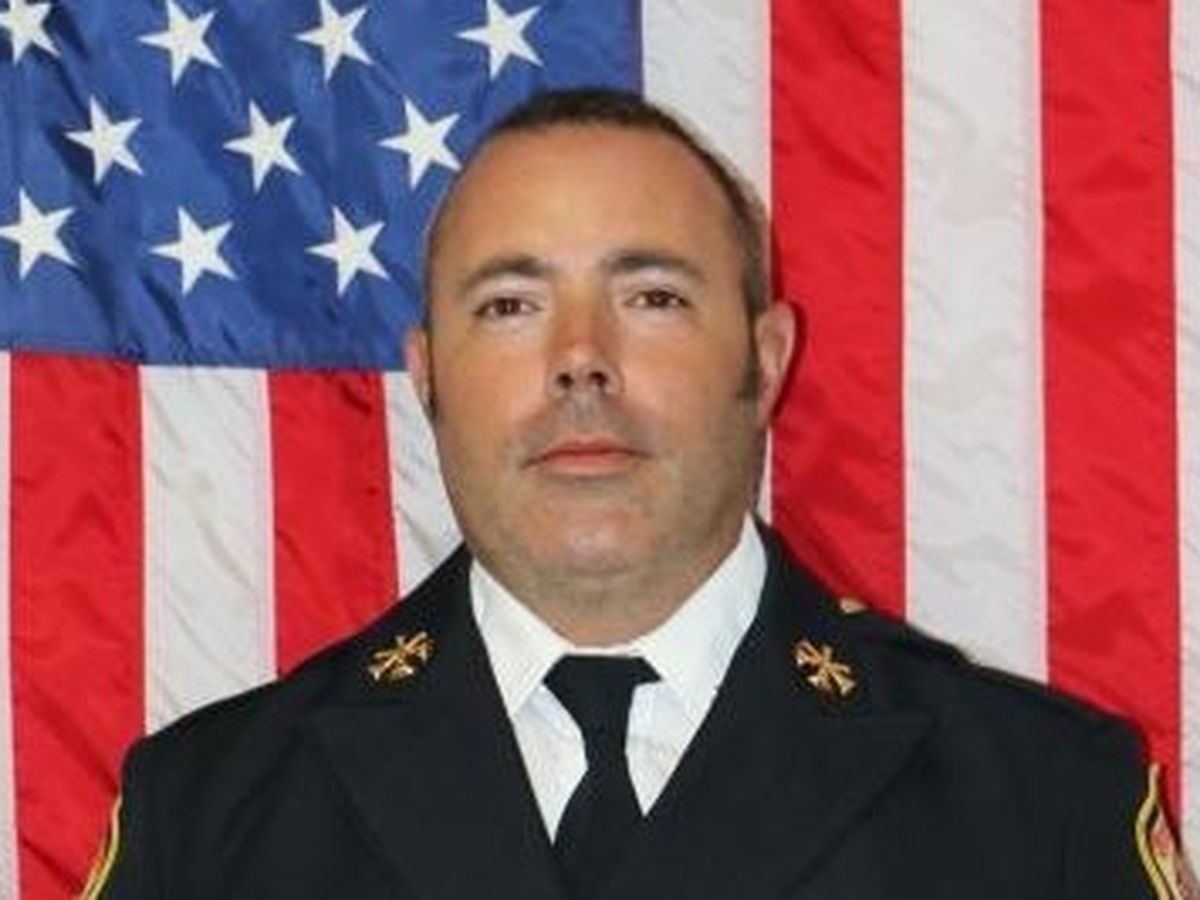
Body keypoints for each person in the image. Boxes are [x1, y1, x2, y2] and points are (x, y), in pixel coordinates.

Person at [82, 87, 1193, 900]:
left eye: (652, 297)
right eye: (510, 306)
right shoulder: (209, 817)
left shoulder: (1039, 806)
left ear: (766, 359)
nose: (581, 359)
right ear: (426, 376)